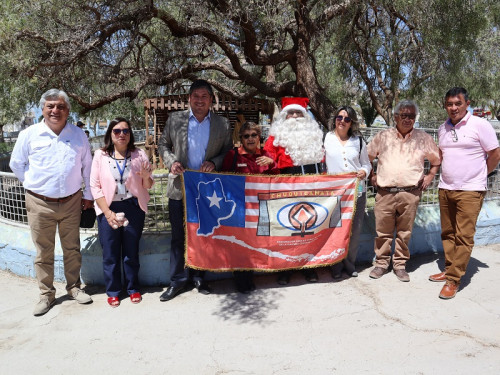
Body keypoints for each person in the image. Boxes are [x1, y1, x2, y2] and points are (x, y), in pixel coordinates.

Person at [9, 89, 93, 316]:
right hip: (39, 203)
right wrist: (34, 185)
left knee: (72, 248)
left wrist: (88, 196)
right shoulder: (29, 134)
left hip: (72, 201)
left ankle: (74, 288)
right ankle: (46, 295)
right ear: (43, 109)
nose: (55, 110)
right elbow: (17, 164)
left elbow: (88, 166)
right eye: (50, 106)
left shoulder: (78, 135)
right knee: (43, 251)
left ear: (67, 110)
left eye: (61, 106)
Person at [158, 79, 232, 301]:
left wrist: (215, 162)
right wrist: (171, 161)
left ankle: (200, 276)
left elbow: (228, 151)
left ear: (211, 100)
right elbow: (163, 144)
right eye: (196, 96)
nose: (200, 101)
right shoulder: (176, 119)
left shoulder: (222, 124)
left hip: (208, 192)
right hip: (180, 188)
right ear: (189, 98)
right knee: (178, 236)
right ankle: (177, 280)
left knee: (203, 233)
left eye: (205, 97)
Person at [429, 87, 500, 299]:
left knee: (464, 236)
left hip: (471, 190)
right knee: (448, 233)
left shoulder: (480, 125)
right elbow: (442, 155)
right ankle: (450, 268)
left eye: (457, 103)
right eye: (449, 104)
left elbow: (495, 154)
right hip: (446, 188)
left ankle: (454, 280)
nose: (453, 108)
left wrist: (480, 175)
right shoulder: (443, 128)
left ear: (467, 103)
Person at [367, 100, 440, 282]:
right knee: (382, 231)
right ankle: (381, 264)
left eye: (411, 116)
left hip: (410, 193)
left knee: (404, 232)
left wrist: (430, 176)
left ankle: (399, 265)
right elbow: (366, 157)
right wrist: (372, 176)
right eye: (404, 115)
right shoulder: (382, 136)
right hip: (385, 192)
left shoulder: (423, 138)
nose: (408, 119)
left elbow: (436, 160)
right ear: (396, 116)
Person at [90, 118, 154, 307]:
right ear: (110, 133)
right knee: (110, 253)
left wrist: (145, 177)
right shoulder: (100, 155)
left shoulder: (138, 154)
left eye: (126, 131)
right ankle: (113, 291)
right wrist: (107, 213)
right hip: (108, 207)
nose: (122, 134)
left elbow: (148, 185)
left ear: (130, 134)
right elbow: (95, 186)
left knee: (131, 251)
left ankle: (133, 288)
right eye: (117, 131)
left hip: (133, 208)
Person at [263, 97, 325, 285]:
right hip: (286, 190)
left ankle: (310, 267)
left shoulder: (315, 136)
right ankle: (286, 268)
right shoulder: (275, 138)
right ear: (284, 116)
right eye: (291, 113)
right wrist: (270, 163)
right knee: (287, 230)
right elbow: (267, 161)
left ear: (305, 116)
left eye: (299, 113)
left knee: (312, 229)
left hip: (313, 189)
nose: (295, 116)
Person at [222, 121, 278, 293]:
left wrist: (272, 164)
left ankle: (251, 276)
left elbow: (277, 181)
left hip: (260, 208)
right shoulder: (233, 156)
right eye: (246, 136)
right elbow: (225, 178)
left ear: (259, 136)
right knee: (240, 245)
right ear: (241, 139)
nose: (251, 139)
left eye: (254, 135)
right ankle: (241, 280)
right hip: (239, 209)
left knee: (255, 243)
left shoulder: (266, 155)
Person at [324, 106, 371, 278]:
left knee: (354, 230)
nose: (342, 121)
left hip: (357, 192)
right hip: (335, 194)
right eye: (339, 117)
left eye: (347, 119)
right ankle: (335, 265)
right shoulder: (327, 138)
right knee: (335, 229)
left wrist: (364, 172)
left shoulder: (358, 141)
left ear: (352, 123)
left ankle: (350, 264)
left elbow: (366, 163)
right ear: (335, 120)